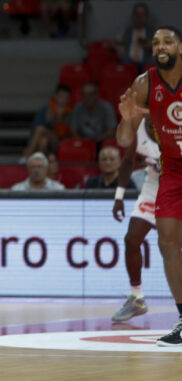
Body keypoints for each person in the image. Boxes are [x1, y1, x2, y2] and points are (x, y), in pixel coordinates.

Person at [116, 26, 182, 346]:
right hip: (170, 174)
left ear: (180, 47)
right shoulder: (144, 84)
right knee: (167, 245)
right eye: (156, 43)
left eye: (168, 41)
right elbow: (124, 142)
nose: (161, 46)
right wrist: (126, 118)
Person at [111, 118, 159, 321]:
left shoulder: (175, 125)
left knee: (172, 247)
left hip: (177, 187)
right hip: (154, 186)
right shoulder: (138, 126)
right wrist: (119, 196)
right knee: (131, 240)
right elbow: (128, 160)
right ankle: (137, 297)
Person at [21, 85, 73, 161]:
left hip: (60, 141)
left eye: (66, 97)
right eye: (61, 96)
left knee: (40, 129)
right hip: (46, 141)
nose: (63, 100)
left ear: (69, 99)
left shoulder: (70, 113)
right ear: (55, 96)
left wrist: (60, 118)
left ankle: (25, 156)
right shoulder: (45, 110)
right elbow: (35, 129)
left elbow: (65, 134)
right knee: (43, 141)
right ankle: (39, 162)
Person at [114, 3, 154, 69]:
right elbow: (116, 43)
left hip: (145, 63)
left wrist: (152, 46)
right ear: (133, 16)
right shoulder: (126, 32)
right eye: (137, 15)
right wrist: (118, 47)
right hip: (128, 63)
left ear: (146, 17)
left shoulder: (152, 33)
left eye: (142, 15)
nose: (139, 18)